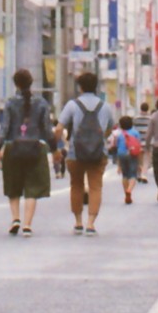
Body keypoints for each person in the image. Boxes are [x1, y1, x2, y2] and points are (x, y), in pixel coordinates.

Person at [0, 69, 56, 236]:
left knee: (13, 186)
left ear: (16, 84)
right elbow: (48, 130)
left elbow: (4, 128)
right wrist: (55, 149)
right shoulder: (42, 103)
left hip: (13, 148)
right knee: (32, 187)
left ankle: (15, 219)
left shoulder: (10, 103)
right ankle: (27, 224)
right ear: (31, 82)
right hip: (36, 148)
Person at [57, 73, 114, 235]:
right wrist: (101, 138)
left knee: (76, 186)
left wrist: (62, 142)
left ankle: (78, 222)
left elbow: (60, 127)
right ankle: (91, 224)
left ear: (80, 87)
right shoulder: (105, 106)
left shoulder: (72, 105)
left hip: (76, 153)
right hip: (98, 153)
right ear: (96, 86)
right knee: (95, 187)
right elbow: (110, 128)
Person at [115, 115, 142, 204]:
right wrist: (140, 163)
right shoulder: (135, 133)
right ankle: (129, 190)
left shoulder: (119, 134)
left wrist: (118, 165)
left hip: (122, 154)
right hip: (132, 154)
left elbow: (117, 147)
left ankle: (126, 192)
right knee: (133, 175)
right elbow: (138, 147)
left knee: (125, 175)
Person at [133, 101, 152, 183]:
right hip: (148, 141)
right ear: (148, 109)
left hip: (137, 141)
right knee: (146, 159)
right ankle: (143, 174)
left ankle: (138, 173)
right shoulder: (151, 119)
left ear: (140, 108)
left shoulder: (135, 118)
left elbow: (133, 130)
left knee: (138, 159)